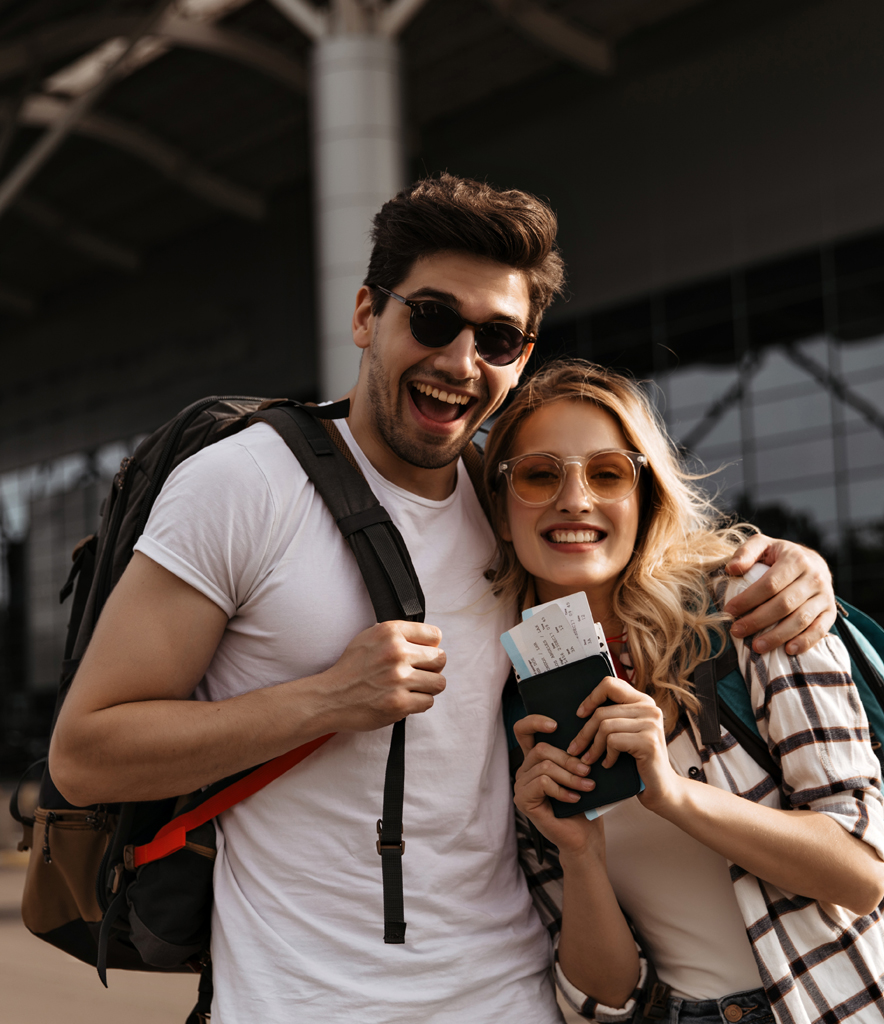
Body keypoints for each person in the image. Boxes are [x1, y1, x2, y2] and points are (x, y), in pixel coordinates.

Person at [49, 175, 840, 1024]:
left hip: (514, 995)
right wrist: (325, 699)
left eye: (499, 337)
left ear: (523, 356)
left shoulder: (509, 502)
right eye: (432, 318)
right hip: (303, 1001)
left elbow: (647, 556)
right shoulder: (242, 484)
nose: (462, 361)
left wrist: (786, 563)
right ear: (366, 316)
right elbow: (87, 753)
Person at [486, 359, 884, 1024]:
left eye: (608, 473)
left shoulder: (750, 612)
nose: (576, 499)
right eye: (539, 474)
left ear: (645, 496)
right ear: (502, 513)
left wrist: (673, 795)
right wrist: (579, 854)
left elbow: (858, 871)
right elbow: (604, 1004)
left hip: (850, 1006)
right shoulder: (511, 705)